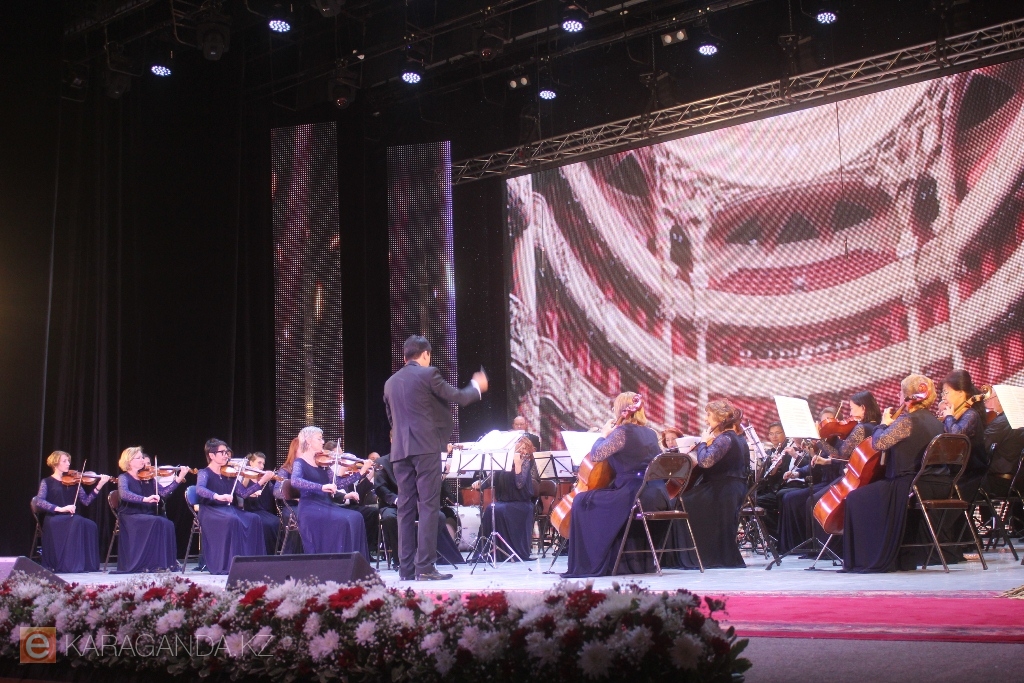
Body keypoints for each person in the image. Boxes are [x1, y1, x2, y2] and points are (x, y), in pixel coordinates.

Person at [383, 335, 487, 581]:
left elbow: (391, 419)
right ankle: (425, 567)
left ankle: (406, 569)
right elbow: (458, 396)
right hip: (425, 448)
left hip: (400, 451)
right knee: (429, 506)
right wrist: (476, 386)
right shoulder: (429, 374)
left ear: (404, 356)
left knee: (405, 509)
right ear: (425, 354)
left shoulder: (390, 383)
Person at [842, 374, 944, 572]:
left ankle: (866, 558)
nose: (899, 396)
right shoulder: (936, 422)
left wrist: (884, 423)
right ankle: (901, 557)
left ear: (908, 396)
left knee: (855, 498)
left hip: (907, 485)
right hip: (933, 483)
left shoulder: (907, 421)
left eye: (900, 392)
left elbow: (879, 443)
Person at [562, 392, 666, 577]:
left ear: (621, 410)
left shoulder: (622, 432)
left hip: (633, 493)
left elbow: (597, 455)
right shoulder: (651, 433)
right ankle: (628, 562)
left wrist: (603, 435)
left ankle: (592, 563)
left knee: (581, 501)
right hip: (656, 493)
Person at [778, 392, 882, 554]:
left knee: (814, 501)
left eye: (852, 408)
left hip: (852, 478)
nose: (850, 413)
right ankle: (820, 547)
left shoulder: (861, 428)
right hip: (863, 477)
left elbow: (840, 454)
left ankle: (825, 549)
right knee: (810, 500)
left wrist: (818, 440)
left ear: (863, 408)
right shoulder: (877, 427)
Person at [672, 399, 749, 569]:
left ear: (720, 418)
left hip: (723, 490)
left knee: (682, 502)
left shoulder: (725, 438)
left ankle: (694, 556)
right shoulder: (734, 437)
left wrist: (703, 442)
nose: (706, 419)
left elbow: (705, 461)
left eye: (708, 415)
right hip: (730, 488)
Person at [377, 447, 465, 571]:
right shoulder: (382, 462)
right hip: (392, 505)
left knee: (439, 516)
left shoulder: (417, 460)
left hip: (415, 503)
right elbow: (380, 487)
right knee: (390, 518)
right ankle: (400, 560)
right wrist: (396, 500)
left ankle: (424, 557)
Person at [289, 426, 370, 560]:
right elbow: (295, 481)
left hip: (326, 505)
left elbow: (338, 483)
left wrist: (360, 473)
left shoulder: (322, 463)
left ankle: (356, 565)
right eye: (319, 439)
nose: (323, 442)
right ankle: (339, 564)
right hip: (310, 508)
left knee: (357, 517)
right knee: (343, 520)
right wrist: (321, 487)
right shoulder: (300, 462)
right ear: (308, 441)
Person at [195, 438, 271, 574]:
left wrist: (261, 482)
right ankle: (231, 564)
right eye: (222, 452)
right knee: (233, 520)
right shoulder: (204, 472)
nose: (226, 455)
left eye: (226, 452)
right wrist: (217, 496)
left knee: (254, 519)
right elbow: (200, 489)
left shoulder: (229, 474)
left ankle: (252, 562)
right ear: (211, 455)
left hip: (228, 509)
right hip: (210, 510)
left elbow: (243, 493)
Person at [31, 451, 111, 573]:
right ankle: (71, 565)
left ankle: (87, 565)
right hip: (54, 518)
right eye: (64, 461)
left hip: (70, 518)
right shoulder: (46, 482)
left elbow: (86, 501)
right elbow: (40, 501)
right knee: (77, 521)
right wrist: (60, 508)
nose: (68, 463)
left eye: (68, 461)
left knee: (91, 525)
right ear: (55, 463)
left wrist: (99, 485)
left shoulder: (74, 481)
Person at [114, 446, 188, 572]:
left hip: (146, 514)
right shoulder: (124, 477)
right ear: (129, 461)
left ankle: (164, 564)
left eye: (142, 457)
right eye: (138, 458)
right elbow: (124, 494)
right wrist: (145, 499)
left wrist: (179, 478)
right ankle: (151, 564)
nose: (142, 460)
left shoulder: (149, 477)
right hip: (130, 515)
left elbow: (163, 492)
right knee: (157, 521)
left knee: (168, 523)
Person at [470, 435, 540, 562]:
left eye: (524, 448)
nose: (521, 451)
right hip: (505, 502)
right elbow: (490, 480)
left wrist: (517, 464)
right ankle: (489, 552)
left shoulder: (525, 462)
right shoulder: (502, 462)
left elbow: (519, 484)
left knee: (498, 509)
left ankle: (511, 552)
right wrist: (480, 484)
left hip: (521, 504)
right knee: (491, 509)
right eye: (518, 448)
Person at [241, 452, 282, 555]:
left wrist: (277, 481)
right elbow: (242, 492)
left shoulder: (264, 478)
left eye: (263, 464)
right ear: (251, 463)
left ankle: (275, 552)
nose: (262, 466)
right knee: (267, 524)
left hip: (262, 511)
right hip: (249, 510)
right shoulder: (245, 476)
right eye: (259, 463)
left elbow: (274, 492)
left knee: (277, 521)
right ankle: (265, 553)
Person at [272, 438, 303, 554]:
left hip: (308, 504)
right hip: (291, 506)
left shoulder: (309, 468)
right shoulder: (285, 470)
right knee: (297, 515)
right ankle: (293, 554)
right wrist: (294, 496)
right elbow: (276, 491)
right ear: (295, 450)